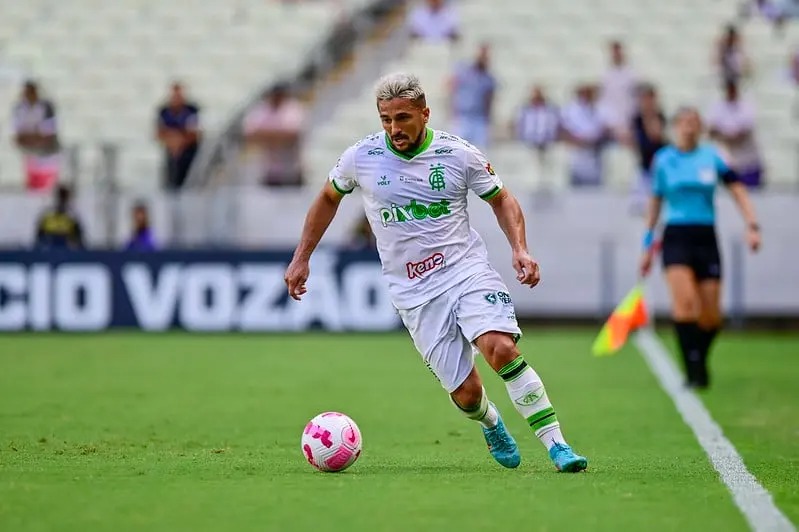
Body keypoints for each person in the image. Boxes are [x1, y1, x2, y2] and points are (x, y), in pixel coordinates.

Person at [284, 73, 588, 472]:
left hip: (465, 271)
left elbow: (502, 199)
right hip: (413, 293)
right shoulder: (361, 157)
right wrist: (302, 256)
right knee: (466, 394)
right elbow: (327, 198)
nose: (395, 129)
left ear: (425, 114)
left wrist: (519, 248)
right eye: (386, 120)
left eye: (403, 118)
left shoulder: (457, 154)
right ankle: (491, 422)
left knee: (500, 348)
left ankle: (557, 446)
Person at [640, 107, 761, 389]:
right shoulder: (664, 159)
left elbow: (738, 189)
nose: (689, 128)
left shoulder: (712, 157)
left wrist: (752, 225)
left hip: (706, 237)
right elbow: (655, 202)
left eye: (694, 123)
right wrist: (648, 245)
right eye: (684, 123)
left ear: (701, 128)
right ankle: (693, 371)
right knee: (685, 305)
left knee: (711, 316)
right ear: (676, 127)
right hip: (676, 237)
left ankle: (699, 359)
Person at [242, 83, 306, 187]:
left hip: (292, 173)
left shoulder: (292, 108)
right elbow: (249, 134)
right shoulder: (263, 109)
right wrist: (277, 136)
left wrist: (265, 137)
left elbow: (292, 134)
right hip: (270, 173)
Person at [707, 80, 764, 188]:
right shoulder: (718, 107)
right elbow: (711, 130)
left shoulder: (746, 107)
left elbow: (743, 133)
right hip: (727, 161)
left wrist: (723, 134)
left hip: (747, 162)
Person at [12, 80, 61, 191]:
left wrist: (31, 136)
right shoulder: (19, 109)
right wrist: (35, 136)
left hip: (48, 153)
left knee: (48, 188)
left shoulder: (47, 107)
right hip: (29, 154)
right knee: (32, 189)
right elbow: (18, 137)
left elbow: (48, 134)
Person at [560, 84, 611, 187]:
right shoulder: (570, 110)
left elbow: (606, 130)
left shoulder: (600, 109)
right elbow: (563, 130)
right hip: (577, 156)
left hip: (594, 156)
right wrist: (577, 141)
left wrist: (594, 140)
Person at [448, 44, 496, 150]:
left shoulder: (488, 78)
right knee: (457, 151)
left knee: (480, 153)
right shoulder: (464, 72)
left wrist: (488, 120)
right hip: (462, 117)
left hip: (479, 119)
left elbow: (489, 100)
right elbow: (452, 88)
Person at [630, 84, 667, 212]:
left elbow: (656, 135)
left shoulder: (659, 116)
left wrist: (650, 114)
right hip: (644, 166)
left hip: (657, 165)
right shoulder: (637, 118)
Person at [156, 82, 201, 190]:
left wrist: (180, 140)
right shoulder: (164, 111)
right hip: (171, 152)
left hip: (189, 152)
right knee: (171, 181)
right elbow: (159, 132)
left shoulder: (192, 110)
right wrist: (173, 139)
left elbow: (195, 132)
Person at [598, 41, 637, 141]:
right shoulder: (605, 75)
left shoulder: (632, 74)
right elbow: (605, 100)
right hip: (610, 123)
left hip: (628, 122)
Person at [33, 184, 84, 250]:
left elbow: (79, 240)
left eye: (64, 198)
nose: (61, 200)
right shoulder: (47, 216)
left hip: (67, 251)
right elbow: (39, 238)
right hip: (50, 250)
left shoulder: (72, 217)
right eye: (60, 197)